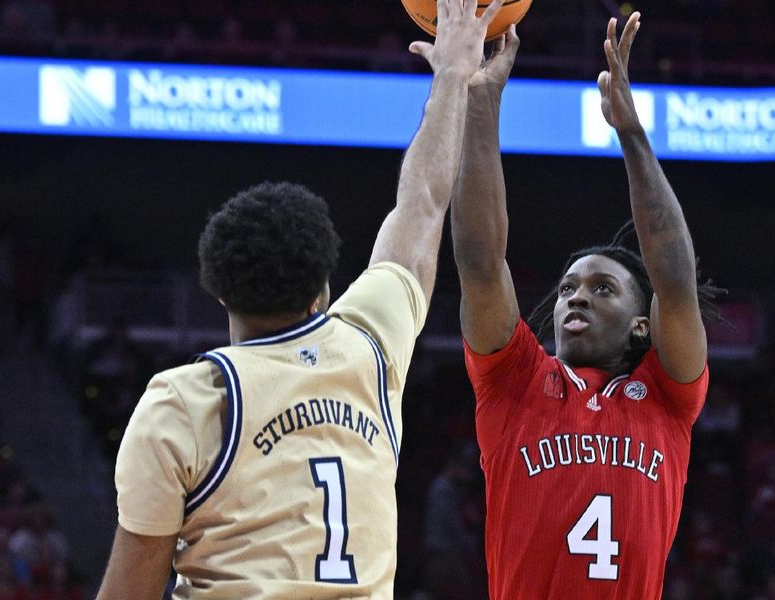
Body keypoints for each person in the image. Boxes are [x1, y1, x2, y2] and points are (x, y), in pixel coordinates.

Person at [96, 0, 504, 598]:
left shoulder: (182, 403)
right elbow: (422, 202)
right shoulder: (368, 346)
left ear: (220, 293)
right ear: (324, 290)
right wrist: (452, 77)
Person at [451, 12, 723, 599]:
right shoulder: (513, 381)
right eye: (571, 286)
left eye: (604, 288)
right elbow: (479, 262)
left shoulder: (668, 398)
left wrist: (630, 133)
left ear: (642, 325)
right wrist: (480, 104)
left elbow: (675, 280)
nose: (577, 295)